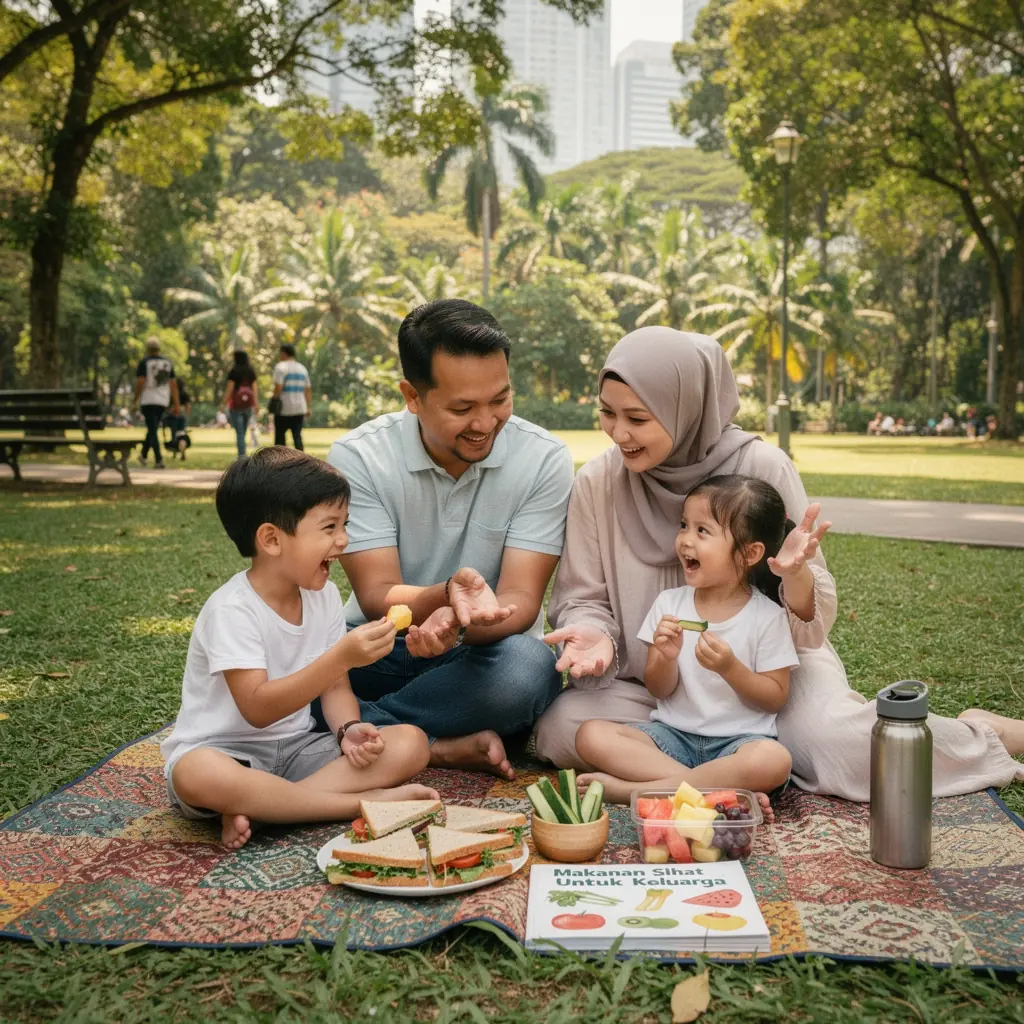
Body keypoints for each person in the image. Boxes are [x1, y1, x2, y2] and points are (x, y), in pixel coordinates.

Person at [534, 327, 1024, 801]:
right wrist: (594, 633)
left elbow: (813, 615)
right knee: (561, 727)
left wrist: (795, 576)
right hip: (659, 690)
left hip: (766, 684)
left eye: (637, 418)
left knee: (836, 745)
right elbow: (583, 597)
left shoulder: (761, 468)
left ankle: (982, 734)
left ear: (685, 409)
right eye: (606, 413)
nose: (618, 433)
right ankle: (712, 786)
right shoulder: (599, 481)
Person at [326, 299, 574, 780]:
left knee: (529, 671)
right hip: (375, 646)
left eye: (499, 400)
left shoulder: (543, 459)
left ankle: (355, 729)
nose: (485, 424)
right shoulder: (360, 457)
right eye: (462, 408)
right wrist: (443, 598)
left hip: (481, 653)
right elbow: (377, 593)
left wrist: (458, 626)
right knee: (300, 665)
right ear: (412, 396)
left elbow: (522, 599)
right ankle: (436, 745)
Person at [160, 447, 438, 850]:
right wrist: (341, 655)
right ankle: (354, 803)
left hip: (299, 752)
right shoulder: (232, 609)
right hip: (227, 754)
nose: (344, 540)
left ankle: (265, 808)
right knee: (196, 773)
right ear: (271, 539)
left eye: (345, 524)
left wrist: (347, 731)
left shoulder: (323, 596)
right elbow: (257, 708)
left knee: (410, 743)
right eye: (329, 527)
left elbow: (336, 689)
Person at [576, 475, 803, 806]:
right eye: (684, 525)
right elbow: (659, 689)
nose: (685, 540)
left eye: (702, 531)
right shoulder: (670, 604)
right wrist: (665, 658)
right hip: (671, 738)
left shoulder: (766, 616)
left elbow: (775, 698)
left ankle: (636, 791)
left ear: (749, 553)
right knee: (591, 735)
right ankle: (716, 794)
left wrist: (730, 668)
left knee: (773, 760)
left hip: (737, 744)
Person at [134, 336, 180, 469]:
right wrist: (176, 404)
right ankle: (143, 455)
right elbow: (173, 385)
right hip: (162, 400)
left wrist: (135, 399)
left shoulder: (145, 362)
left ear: (147, 348)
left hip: (148, 400)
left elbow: (140, 382)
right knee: (152, 429)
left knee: (152, 429)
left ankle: (158, 459)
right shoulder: (167, 363)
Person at [272, 343, 311, 450]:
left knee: (280, 438)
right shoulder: (302, 369)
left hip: (283, 408)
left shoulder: (280, 367)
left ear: (284, 354)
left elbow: (278, 387)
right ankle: (302, 462)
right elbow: (307, 390)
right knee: (297, 437)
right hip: (299, 408)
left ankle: (279, 462)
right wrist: (307, 407)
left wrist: (274, 401)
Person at [222, 351, 259, 458]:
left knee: (239, 432)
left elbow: (230, 389)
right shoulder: (250, 371)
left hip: (236, 406)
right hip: (248, 405)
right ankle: (243, 453)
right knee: (243, 431)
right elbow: (254, 389)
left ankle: (242, 455)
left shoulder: (234, 371)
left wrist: (223, 404)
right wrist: (256, 404)